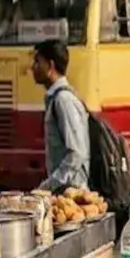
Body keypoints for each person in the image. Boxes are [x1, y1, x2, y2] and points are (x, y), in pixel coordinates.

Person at [33, 39, 90, 191]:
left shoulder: (63, 100)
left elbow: (77, 153)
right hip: (63, 190)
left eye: (38, 62)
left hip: (72, 192)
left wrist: (49, 184)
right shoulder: (56, 98)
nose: (33, 68)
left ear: (50, 66)